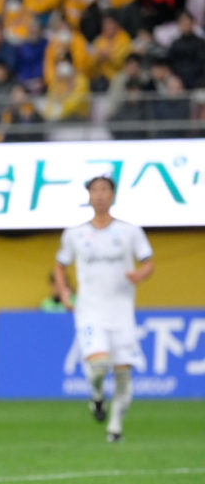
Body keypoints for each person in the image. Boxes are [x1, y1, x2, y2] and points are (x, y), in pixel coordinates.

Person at [54, 176, 153, 443]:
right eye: (95, 190)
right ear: (88, 195)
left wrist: (140, 274)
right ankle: (97, 395)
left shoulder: (130, 231)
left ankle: (115, 427)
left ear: (113, 195)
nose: (99, 194)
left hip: (121, 312)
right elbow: (60, 265)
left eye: (104, 189)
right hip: (90, 310)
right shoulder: (74, 234)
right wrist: (64, 292)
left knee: (123, 374)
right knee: (98, 365)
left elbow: (148, 262)